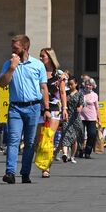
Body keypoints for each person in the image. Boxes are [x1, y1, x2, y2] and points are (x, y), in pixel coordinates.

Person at [0, 34, 52, 184]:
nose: (12, 51)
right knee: (13, 140)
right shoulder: (8, 64)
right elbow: (2, 83)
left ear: (25, 47)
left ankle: (25, 172)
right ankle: (10, 172)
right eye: (12, 47)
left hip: (33, 107)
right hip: (15, 107)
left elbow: (43, 87)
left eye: (15, 48)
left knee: (29, 142)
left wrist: (46, 108)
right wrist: (12, 67)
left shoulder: (37, 65)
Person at [36, 48, 67, 177]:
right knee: (40, 139)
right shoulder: (38, 71)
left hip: (54, 108)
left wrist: (65, 108)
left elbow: (62, 92)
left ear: (49, 57)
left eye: (43, 56)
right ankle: (43, 161)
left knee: (49, 137)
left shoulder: (59, 74)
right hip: (39, 107)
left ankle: (46, 167)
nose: (41, 58)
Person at [60, 77, 84, 164]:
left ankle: (72, 156)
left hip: (76, 118)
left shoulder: (80, 94)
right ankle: (65, 154)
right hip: (67, 117)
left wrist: (80, 108)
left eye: (71, 84)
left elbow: (81, 104)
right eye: (68, 84)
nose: (70, 86)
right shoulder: (65, 94)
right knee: (65, 135)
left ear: (76, 84)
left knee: (74, 138)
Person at [80, 78, 100, 158]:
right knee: (80, 134)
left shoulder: (95, 95)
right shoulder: (80, 93)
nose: (88, 86)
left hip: (92, 117)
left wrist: (99, 119)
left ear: (93, 86)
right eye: (87, 84)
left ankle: (88, 151)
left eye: (90, 85)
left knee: (92, 134)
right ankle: (80, 150)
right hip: (81, 117)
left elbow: (97, 108)